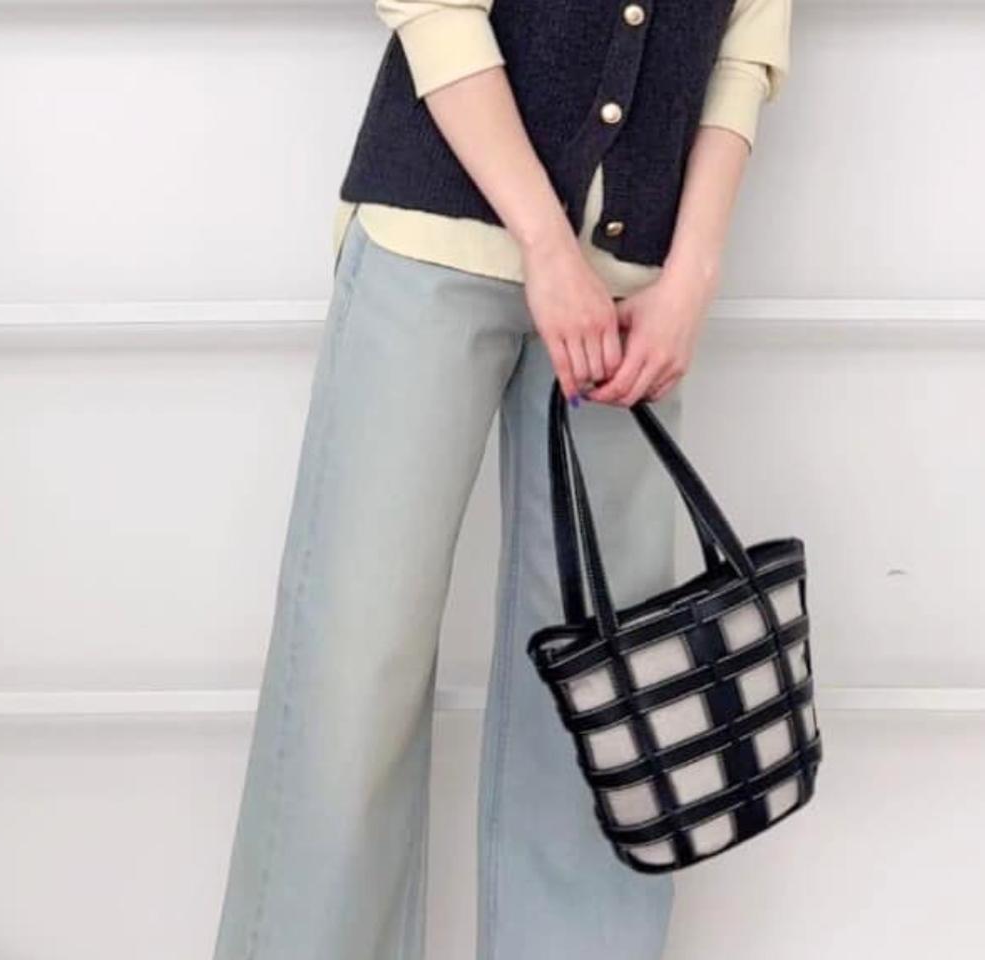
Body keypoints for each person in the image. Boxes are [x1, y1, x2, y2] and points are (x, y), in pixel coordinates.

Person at [212, 0, 791, 957]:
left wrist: (691, 275)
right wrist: (546, 246)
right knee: (355, 668)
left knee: (606, 695)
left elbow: (748, 42)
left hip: (635, 294)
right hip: (435, 239)